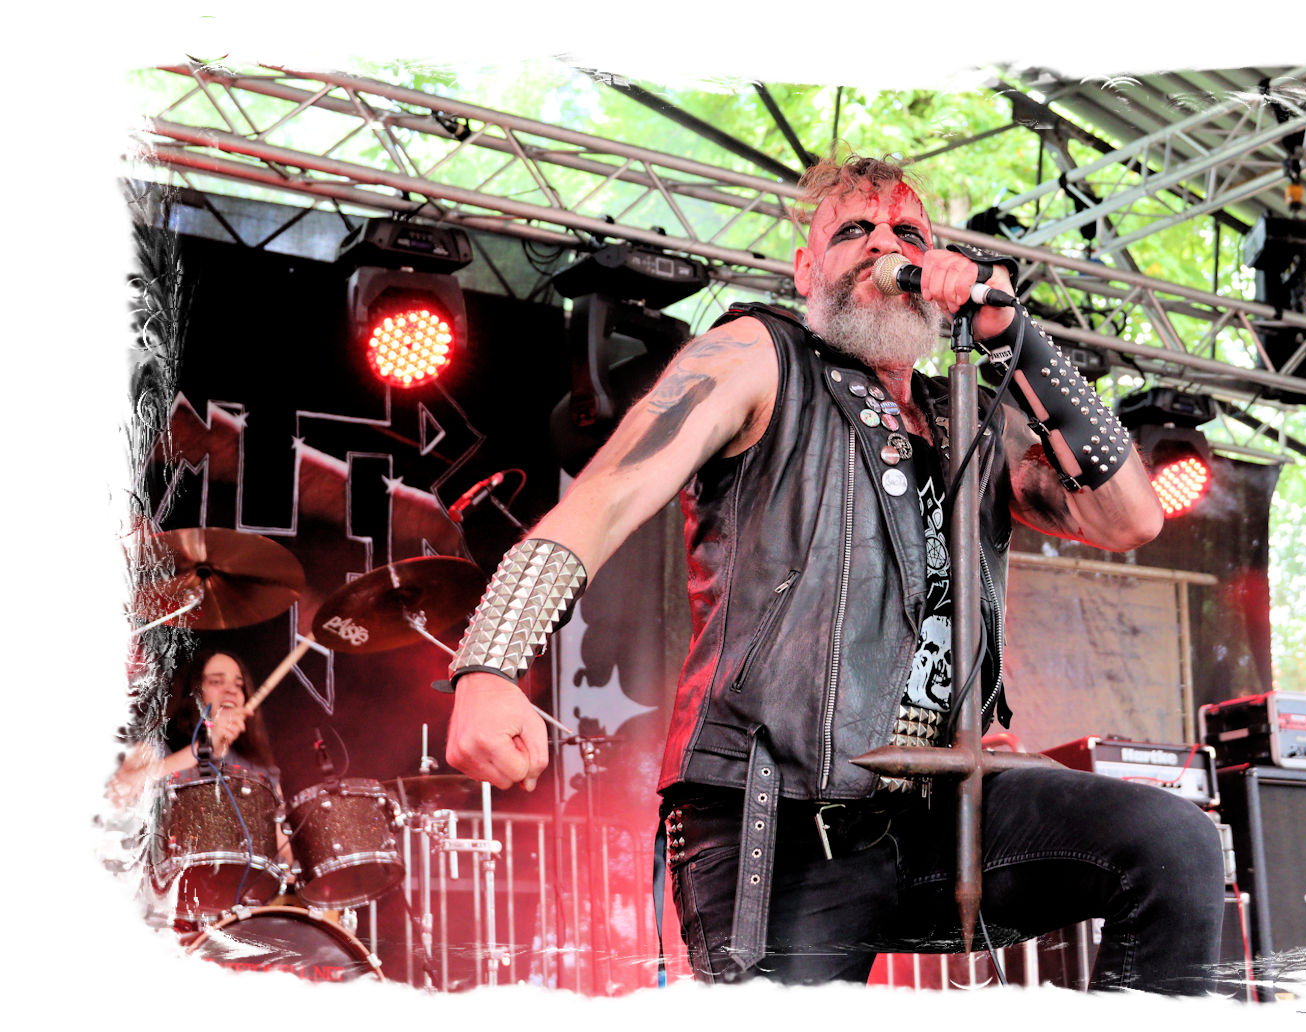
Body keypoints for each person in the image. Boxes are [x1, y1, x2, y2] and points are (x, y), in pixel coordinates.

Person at [441, 155, 1226, 992]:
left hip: (937, 802)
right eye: (854, 229)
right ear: (805, 269)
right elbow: (606, 497)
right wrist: (489, 662)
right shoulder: (756, 355)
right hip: (776, 813)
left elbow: (1130, 519)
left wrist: (1017, 337)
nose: (884, 245)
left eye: (907, 233)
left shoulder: (968, 418)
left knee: (1170, 843)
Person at [107, 650, 283, 805]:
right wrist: (206, 745)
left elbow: (279, 832)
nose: (232, 690)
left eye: (239, 685)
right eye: (217, 681)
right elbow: (118, 794)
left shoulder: (261, 771)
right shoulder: (156, 748)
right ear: (194, 694)